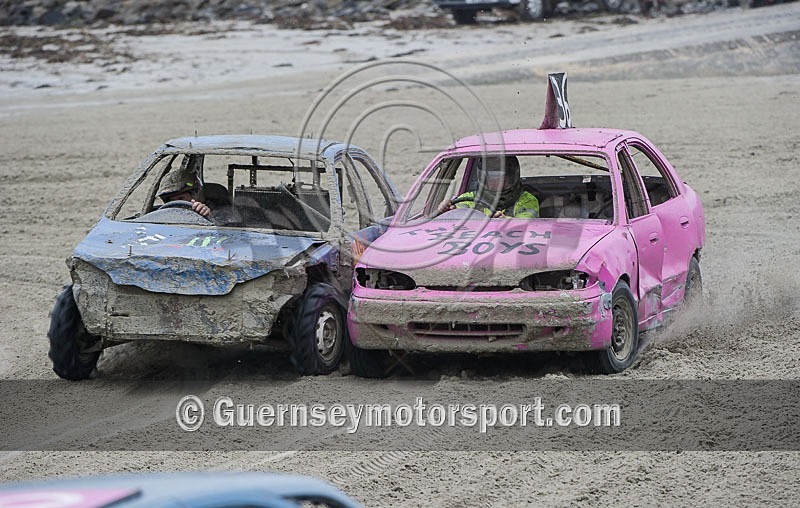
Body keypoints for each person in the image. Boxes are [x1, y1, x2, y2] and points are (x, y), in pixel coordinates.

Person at [439, 155, 539, 218]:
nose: (496, 181)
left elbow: (526, 227)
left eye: (501, 177)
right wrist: (446, 209)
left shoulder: (527, 200)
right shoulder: (469, 199)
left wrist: (505, 222)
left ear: (512, 177)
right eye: (491, 177)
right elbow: (456, 214)